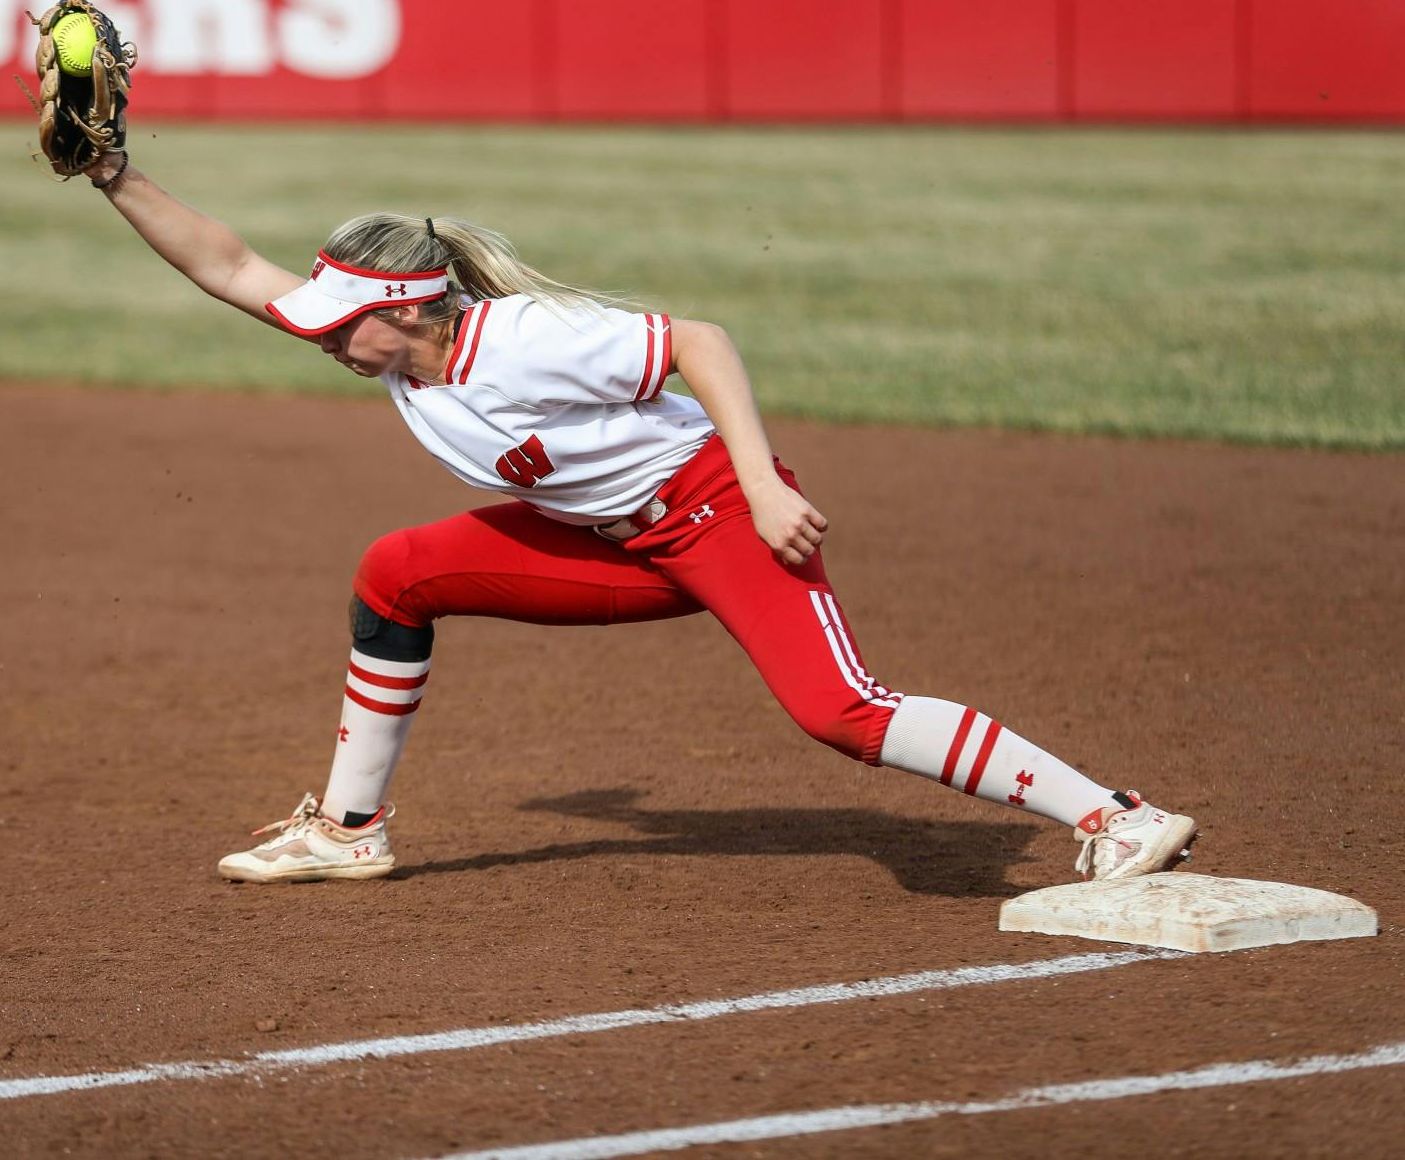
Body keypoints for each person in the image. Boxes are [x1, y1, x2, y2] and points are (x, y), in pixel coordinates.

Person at [72, 147, 1198, 887]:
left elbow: (699, 339)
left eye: (341, 324)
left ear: (408, 307)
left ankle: (1113, 815)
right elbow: (224, 264)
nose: (321, 338)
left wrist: (758, 482)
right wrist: (111, 170)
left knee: (839, 712)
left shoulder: (521, 341)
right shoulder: (390, 359)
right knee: (395, 572)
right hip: (611, 540)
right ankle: (349, 830)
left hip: (713, 512)